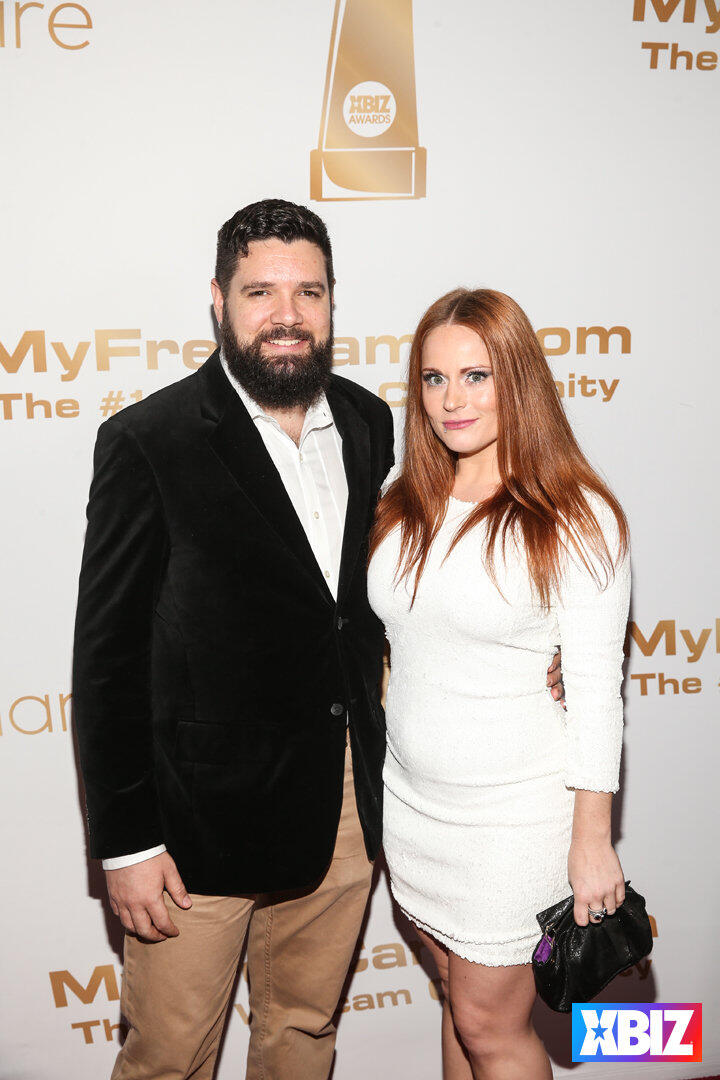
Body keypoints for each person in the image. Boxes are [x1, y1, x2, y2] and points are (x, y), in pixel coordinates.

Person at [73, 201, 564, 1080]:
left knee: (303, 1034)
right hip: (198, 829)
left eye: (309, 291)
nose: (287, 314)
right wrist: (127, 844)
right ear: (218, 300)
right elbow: (106, 663)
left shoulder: (371, 423)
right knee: (170, 1057)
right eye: (260, 291)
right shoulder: (149, 442)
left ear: (333, 302)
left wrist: (550, 649)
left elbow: (426, 580)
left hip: (343, 806)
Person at [366, 288, 630, 1080]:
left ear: (518, 380)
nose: (453, 399)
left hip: (514, 822)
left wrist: (592, 842)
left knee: (492, 1025)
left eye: (476, 376)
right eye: (435, 378)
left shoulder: (574, 515)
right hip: (413, 807)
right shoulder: (402, 497)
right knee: (459, 1000)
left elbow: (595, 691)